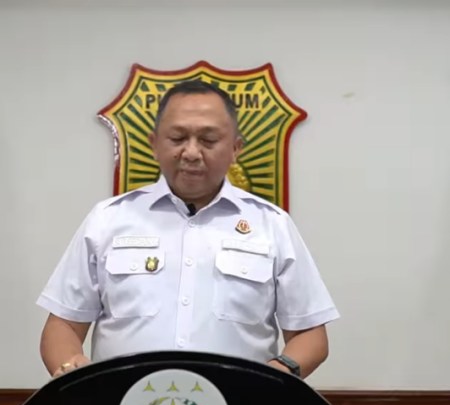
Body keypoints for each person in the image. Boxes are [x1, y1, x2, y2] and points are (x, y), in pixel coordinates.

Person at [37, 79, 339, 379]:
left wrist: (277, 374)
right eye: (178, 138)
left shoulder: (272, 224)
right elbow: (64, 324)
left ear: (235, 149)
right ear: (154, 144)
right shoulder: (108, 220)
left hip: (239, 403)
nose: (191, 153)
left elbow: (310, 333)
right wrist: (70, 365)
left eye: (208, 140)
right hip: (125, 402)